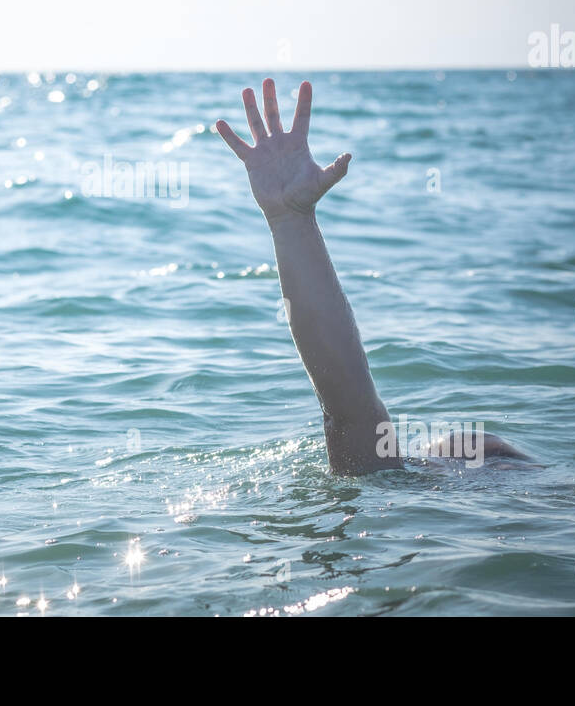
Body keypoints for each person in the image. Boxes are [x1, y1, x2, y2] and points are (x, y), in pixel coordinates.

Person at [215, 79, 529, 474]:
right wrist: (290, 221)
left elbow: (350, 413)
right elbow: (350, 416)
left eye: (427, 455)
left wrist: (291, 222)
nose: (420, 450)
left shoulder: (410, 480)